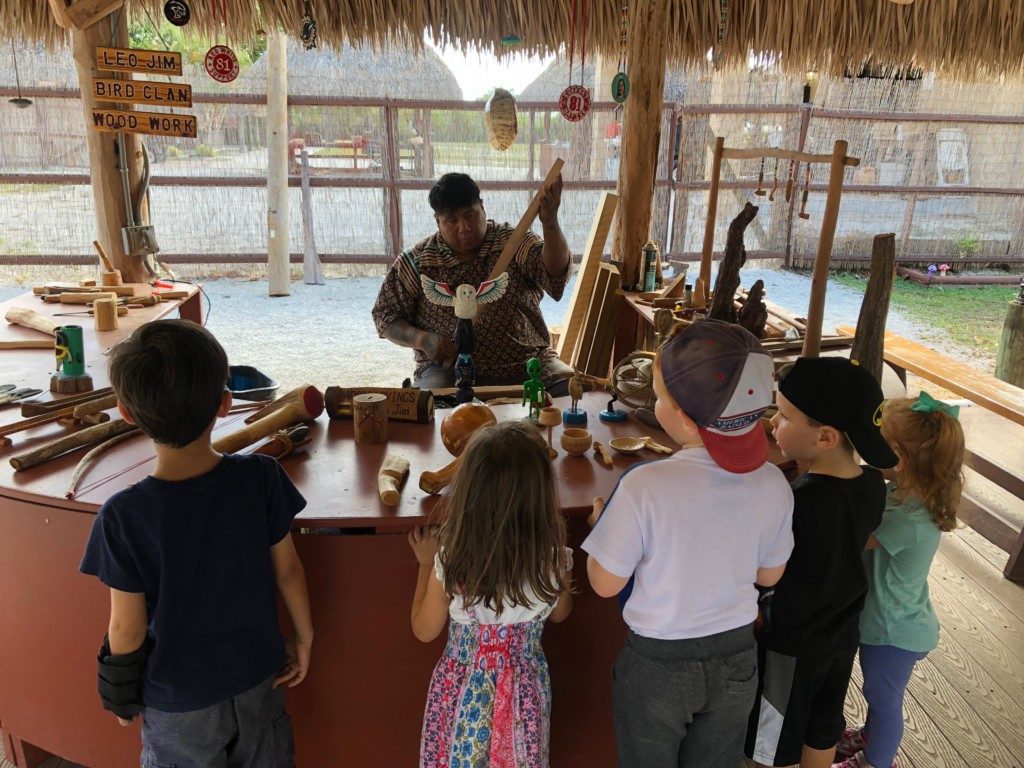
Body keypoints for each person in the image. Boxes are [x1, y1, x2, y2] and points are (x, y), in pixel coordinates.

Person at [80, 319, 313, 768]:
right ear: (225, 404)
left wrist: (120, 694)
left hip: (177, 702)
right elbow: (288, 571)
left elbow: (125, 629)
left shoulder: (123, 516)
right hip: (258, 680)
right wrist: (303, 637)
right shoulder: (261, 477)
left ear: (126, 412)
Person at [582, 320, 795, 768]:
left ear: (680, 416)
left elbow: (604, 583)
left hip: (658, 666)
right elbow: (769, 574)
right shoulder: (774, 481)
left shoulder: (644, 485)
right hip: (737, 658)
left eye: (659, 395)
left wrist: (604, 527)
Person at [745, 357, 898, 768]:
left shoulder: (797, 500)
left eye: (785, 415)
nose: (774, 422)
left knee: (769, 735)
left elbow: (764, 567)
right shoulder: (871, 485)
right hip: (841, 630)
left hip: (791, 638)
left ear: (826, 437)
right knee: (823, 722)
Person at [407, 420, 573, 767]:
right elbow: (560, 613)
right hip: (523, 697)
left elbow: (424, 630)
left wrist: (425, 564)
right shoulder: (551, 559)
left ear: (468, 493)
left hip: (461, 692)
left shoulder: (454, 563)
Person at [833, 393, 965, 768]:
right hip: (902, 620)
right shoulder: (906, 494)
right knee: (879, 694)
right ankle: (870, 738)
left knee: (883, 699)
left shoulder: (907, 518)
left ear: (899, 456)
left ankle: (876, 762)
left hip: (892, 631)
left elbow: (855, 537)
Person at [372, 172, 574, 394]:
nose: (464, 227)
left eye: (470, 215)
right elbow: (385, 315)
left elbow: (555, 275)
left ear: (482, 206)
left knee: (571, 391)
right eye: (452, 220)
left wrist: (551, 222)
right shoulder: (418, 262)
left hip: (529, 361)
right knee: (433, 407)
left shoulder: (514, 242)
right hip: (445, 371)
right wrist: (423, 340)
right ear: (437, 221)